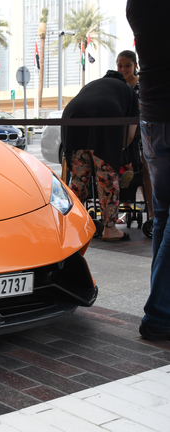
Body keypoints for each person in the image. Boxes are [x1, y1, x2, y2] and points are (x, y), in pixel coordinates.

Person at [127, 0, 170, 341]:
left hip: (153, 116)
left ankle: (163, 304)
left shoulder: (138, 5)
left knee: (163, 215)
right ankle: (160, 314)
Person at [61, 70, 139, 242]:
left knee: (78, 179)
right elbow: (131, 132)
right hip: (107, 116)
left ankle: (74, 225)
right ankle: (110, 229)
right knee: (107, 179)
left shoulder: (92, 85)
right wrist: (116, 152)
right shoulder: (128, 90)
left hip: (73, 116)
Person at [116, 49, 154, 220]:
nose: (123, 69)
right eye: (120, 66)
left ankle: (152, 212)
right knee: (124, 172)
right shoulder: (117, 86)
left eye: (127, 66)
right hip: (122, 134)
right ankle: (127, 210)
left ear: (135, 66)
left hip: (142, 134)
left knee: (145, 171)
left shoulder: (142, 85)